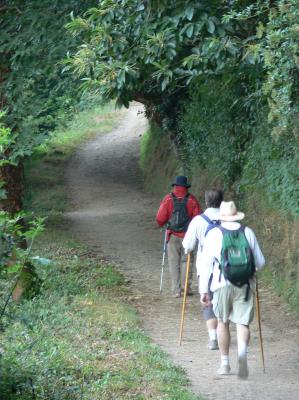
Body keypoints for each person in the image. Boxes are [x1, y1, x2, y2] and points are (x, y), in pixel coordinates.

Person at [200, 201, 265, 379]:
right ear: (236, 215)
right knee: (242, 323)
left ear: (221, 217)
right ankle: (242, 361)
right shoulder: (248, 232)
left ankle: (225, 364)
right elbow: (260, 262)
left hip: (221, 285)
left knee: (222, 322)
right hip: (245, 285)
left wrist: (203, 290)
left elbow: (206, 265)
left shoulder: (214, 234)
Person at [183, 188, 223, 350]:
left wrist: (190, 250)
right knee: (225, 302)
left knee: (208, 303)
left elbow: (187, 245)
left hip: (205, 269)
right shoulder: (230, 219)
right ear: (222, 201)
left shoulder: (198, 221)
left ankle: (214, 338)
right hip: (228, 268)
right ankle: (225, 333)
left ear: (206, 201)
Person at [156, 175, 201, 297]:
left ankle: (176, 290)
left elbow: (160, 218)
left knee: (173, 261)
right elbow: (198, 218)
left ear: (175, 186)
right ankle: (186, 287)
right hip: (188, 235)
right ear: (186, 187)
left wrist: (163, 224)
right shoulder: (192, 199)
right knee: (187, 261)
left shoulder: (168, 199)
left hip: (173, 235)